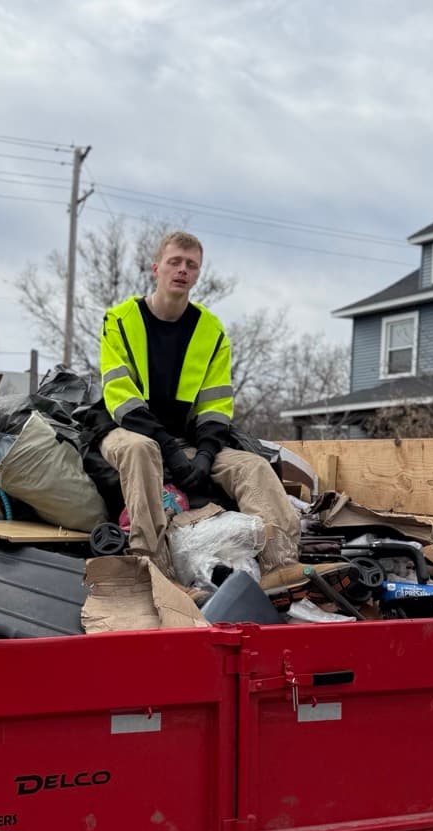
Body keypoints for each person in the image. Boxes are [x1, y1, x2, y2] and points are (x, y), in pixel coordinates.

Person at [96, 231, 303, 585]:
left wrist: (206, 453)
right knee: (142, 449)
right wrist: (170, 451)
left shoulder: (211, 331)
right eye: (174, 262)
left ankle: (282, 571)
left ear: (198, 274)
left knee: (252, 466)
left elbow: (215, 405)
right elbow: (122, 399)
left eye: (191, 265)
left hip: (184, 438)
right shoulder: (120, 320)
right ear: (155, 268)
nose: (182, 270)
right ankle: (155, 571)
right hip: (125, 431)